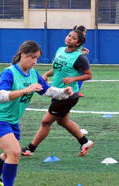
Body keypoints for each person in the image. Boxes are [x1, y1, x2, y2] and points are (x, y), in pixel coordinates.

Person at [0, 41, 73, 186]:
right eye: (32, 57)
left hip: (12, 122)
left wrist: (63, 93)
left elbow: (46, 90)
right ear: (22, 54)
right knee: (15, 152)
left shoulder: (33, 73)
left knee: (9, 153)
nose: (34, 61)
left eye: (37, 58)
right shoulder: (9, 73)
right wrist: (24, 90)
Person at [21, 29, 93, 157]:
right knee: (63, 121)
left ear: (78, 43)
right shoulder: (60, 50)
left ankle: (30, 148)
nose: (69, 38)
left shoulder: (80, 58)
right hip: (57, 93)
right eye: (69, 35)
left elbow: (89, 75)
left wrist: (73, 79)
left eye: (73, 38)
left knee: (46, 122)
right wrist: (46, 74)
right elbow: (56, 68)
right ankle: (85, 142)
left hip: (67, 95)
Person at [73, 25, 89, 97]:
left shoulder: (79, 38)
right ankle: (76, 91)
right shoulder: (78, 39)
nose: (85, 33)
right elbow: (74, 51)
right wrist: (83, 53)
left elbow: (78, 48)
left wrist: (83, 49)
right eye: (85, 31)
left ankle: (75, 91)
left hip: (75, 59)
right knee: (81, 75)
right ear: (81, 32)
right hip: (75, 59)